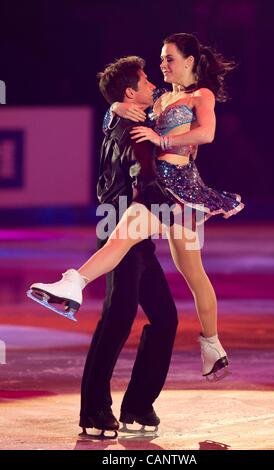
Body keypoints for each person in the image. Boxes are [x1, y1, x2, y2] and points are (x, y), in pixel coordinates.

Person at [28, 33, 244, 382]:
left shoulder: (199, 95)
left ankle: (75, 283)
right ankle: (212, 346)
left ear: (189, 62)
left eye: (169, 59)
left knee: (182, 268)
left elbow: (207, 134)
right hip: (161, 189)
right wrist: (114, 107)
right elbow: (119, 113)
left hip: (179, 189)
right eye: (161, 59)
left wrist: (164, 140)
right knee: (147, 249)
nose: (162, 65)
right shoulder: (159, 97)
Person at [78, 57, 178, 436]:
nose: (153, 85)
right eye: (146, 81)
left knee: (165, 319)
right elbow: (144, 176)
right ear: (130, 92)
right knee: (117, 321)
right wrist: (182, 203)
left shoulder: (118, 118)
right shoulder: (132, 128)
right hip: (124, 235)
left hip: (132, 237)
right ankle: (94, 411)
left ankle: (137, 404)